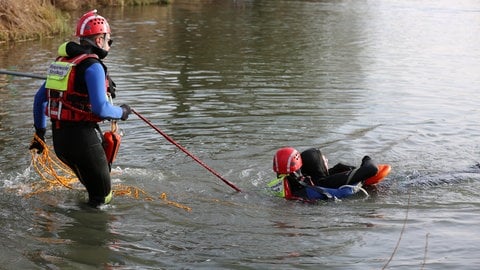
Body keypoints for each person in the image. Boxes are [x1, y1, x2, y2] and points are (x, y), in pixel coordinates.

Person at [29, 10, 132, 207]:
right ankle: (89, 234)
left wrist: (40, 135)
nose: (109, 45)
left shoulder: (62, 63)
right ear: (99, 39)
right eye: (109, 40)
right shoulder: (94, 66)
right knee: (103, 200)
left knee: (93, 189)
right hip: (83, 141)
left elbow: (39, 99)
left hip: (60, 141)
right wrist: (123, 112)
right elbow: (102, 109)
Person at [269, 147, 379, 201]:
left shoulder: (284, 186)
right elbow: (372, 169)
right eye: (323, 158)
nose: (326, 160)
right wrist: (366, 159)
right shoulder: (326, 183)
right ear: (318, 163)